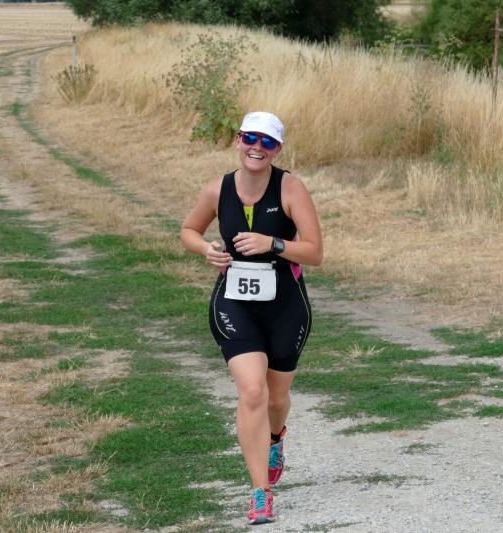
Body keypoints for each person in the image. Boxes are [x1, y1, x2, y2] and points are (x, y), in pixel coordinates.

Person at [180, 111, 323, 525]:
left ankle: (276, 438)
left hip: (286, 307)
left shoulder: (291, 188)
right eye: (250, 138)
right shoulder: (218, 188)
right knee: (253, 391)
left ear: (277, 149)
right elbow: (188, 230)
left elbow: (314, 252)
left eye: (267, 142)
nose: (257, 148)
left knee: (276, 399)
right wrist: (205, 249)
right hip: (234, 304)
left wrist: (272, 243)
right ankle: (261, 493)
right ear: (238, 140)